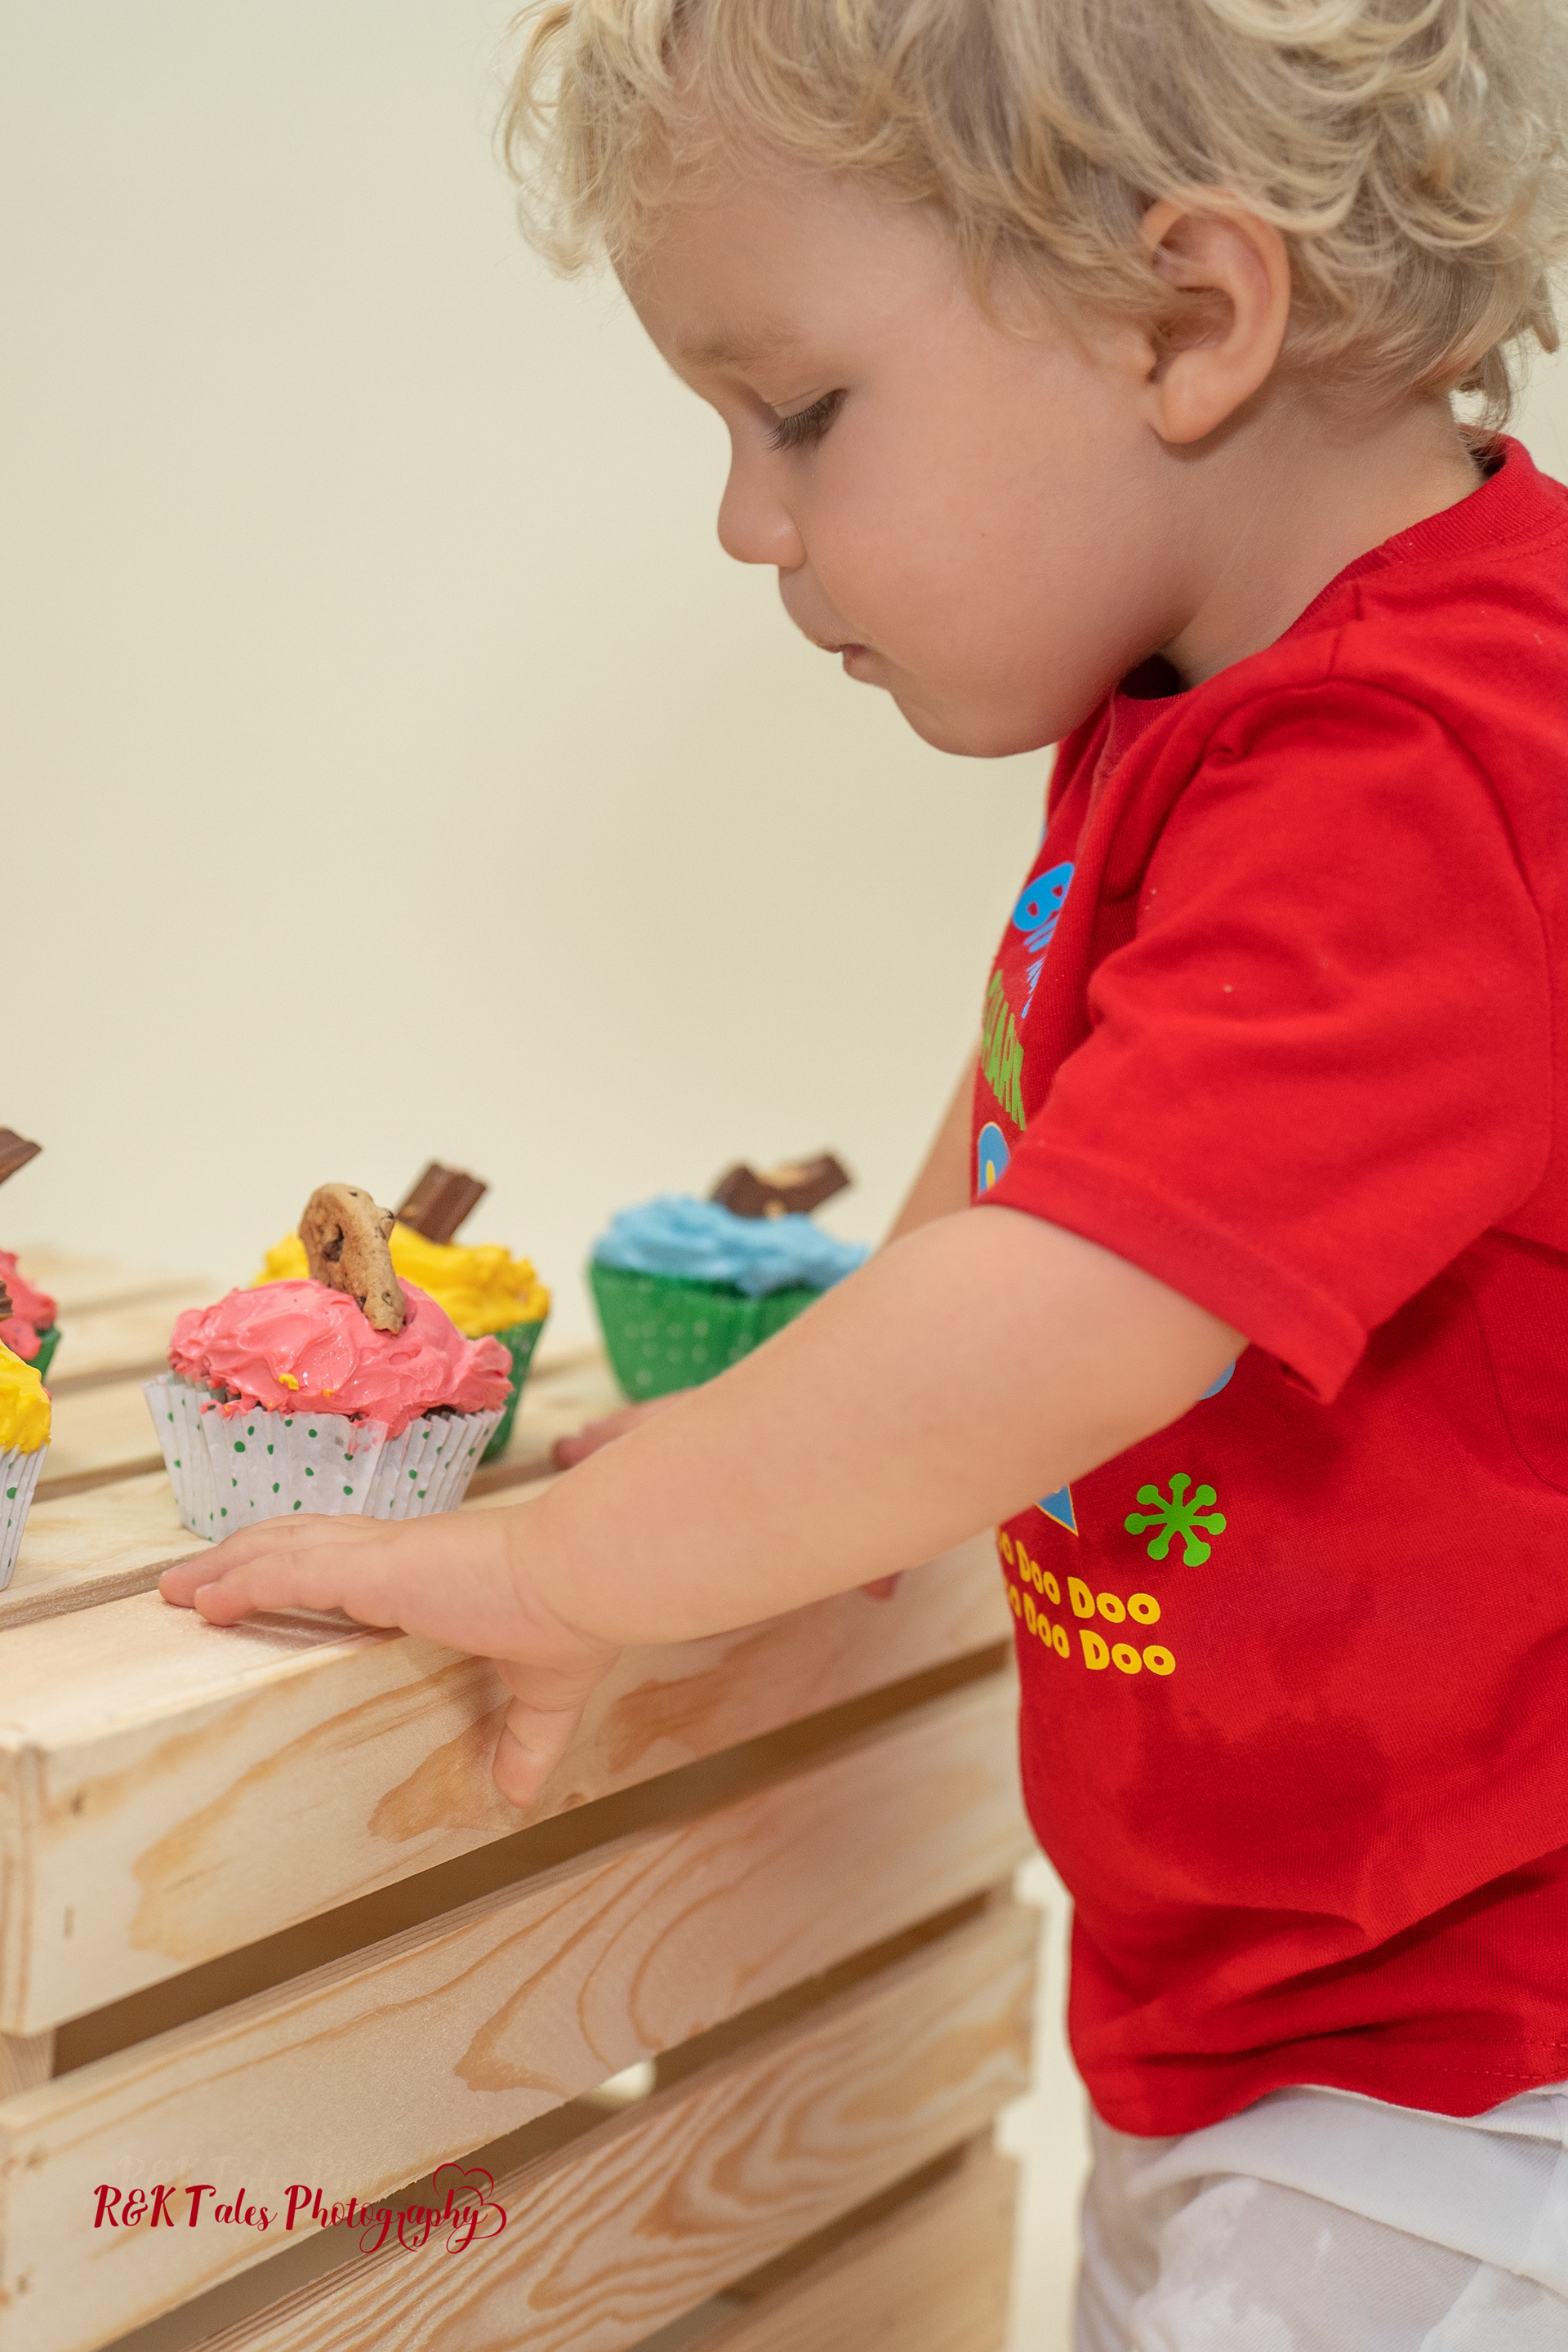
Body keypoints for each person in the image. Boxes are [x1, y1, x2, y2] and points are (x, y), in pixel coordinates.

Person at [159, 2, 1568, 2341]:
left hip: (1466, 2087)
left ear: (1186, 316)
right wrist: (772, 1446)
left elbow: (1082, 1295)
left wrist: (574, 1566)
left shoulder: (1422, 760)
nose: (748, 520)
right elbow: (1039, 1143)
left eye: (799, 411)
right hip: (1293, 2032)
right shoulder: (1216, 704)